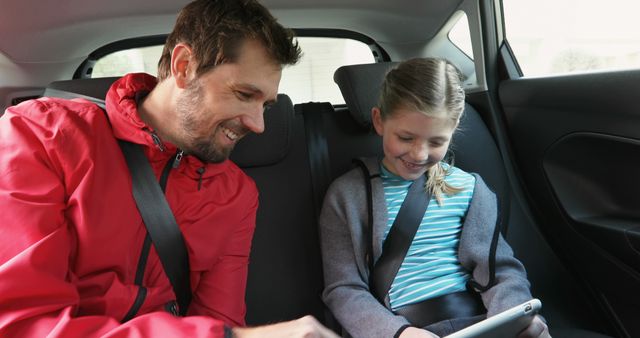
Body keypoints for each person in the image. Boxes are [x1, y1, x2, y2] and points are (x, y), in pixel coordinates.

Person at [0, 0, 337, 337]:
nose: (258, 124)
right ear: (184, 66)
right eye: (244, 94)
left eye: (265, 104)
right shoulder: (41, 136)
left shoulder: (237, 195)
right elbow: (23, 325)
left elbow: (220, 317)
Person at [319, 58, 551, 338]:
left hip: (476, 325)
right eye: (406, 138)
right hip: (398, 329)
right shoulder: (346, 196)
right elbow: (343, 289)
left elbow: (500, 272)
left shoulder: (470, 190)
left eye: (436, 142)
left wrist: (515, 319)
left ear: (453, 131)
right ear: (379, 121)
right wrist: (400, 333)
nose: (419, 154)